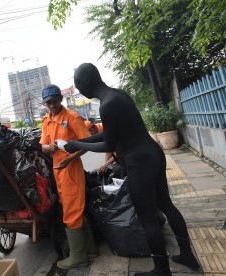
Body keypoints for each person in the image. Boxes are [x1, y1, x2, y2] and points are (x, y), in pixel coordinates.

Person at [64, 63, 200, 275]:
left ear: (87, 84)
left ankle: (162, 269)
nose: (80, 91)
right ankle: (187, 254)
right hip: (153, 153)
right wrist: (81, 140)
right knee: (166, 204)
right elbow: (111, 134)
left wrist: (77, 145)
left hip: (139, 162)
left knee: (147, 217)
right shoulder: (117, 95)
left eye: (78, 86)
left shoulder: (106, 106)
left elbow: (109, 144)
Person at [39, 84, 98, 269]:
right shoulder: (46, 121)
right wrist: (48, 148)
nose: (52, 105)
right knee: (73, 209)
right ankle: (90, 249)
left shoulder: (72, 118)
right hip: (58, 172)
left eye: (55, 101)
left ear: (61, 99)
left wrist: (69, 159)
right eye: (48, 102)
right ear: (45, 103)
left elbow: (86, 144)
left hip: (71, 170)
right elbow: (43, 145)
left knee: (71, 213)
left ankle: (79, 257)